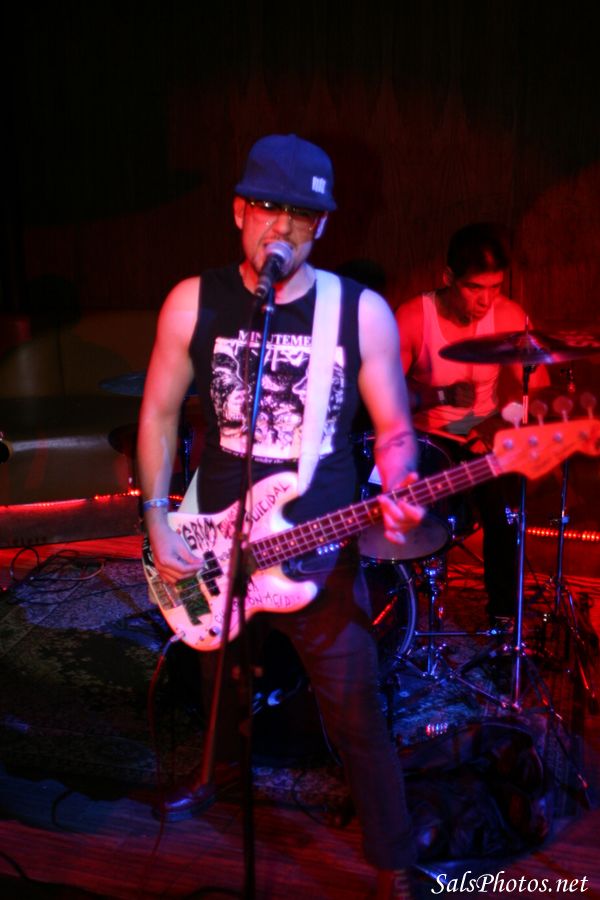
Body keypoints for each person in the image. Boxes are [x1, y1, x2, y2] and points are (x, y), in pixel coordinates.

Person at [137, 133, 424, 899]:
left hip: (318, 549)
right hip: (210, 539)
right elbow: (159, 415)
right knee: (216, 679)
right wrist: (158, 519)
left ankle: (393, 860)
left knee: (355, 705)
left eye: (302, 214)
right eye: (268, 207)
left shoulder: (360, 313)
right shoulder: (192, 301)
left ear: (322, 226)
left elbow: (395, 429)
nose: (283, 227)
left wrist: (401, 481)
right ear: (239, 211)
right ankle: (215, 774)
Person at [395, 222, 550, 623]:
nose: (486, 300)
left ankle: (503, 617)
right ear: (449, 278)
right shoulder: (413, 318)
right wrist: (437, 397)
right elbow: (384, 394)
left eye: (494, 287)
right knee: (402, 512)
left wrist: (499, 422)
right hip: (427, 436)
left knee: (505, 513)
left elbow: (536, 391)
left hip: (485, 437)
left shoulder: (509, 316)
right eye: (474, 288)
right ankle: (401, 607)